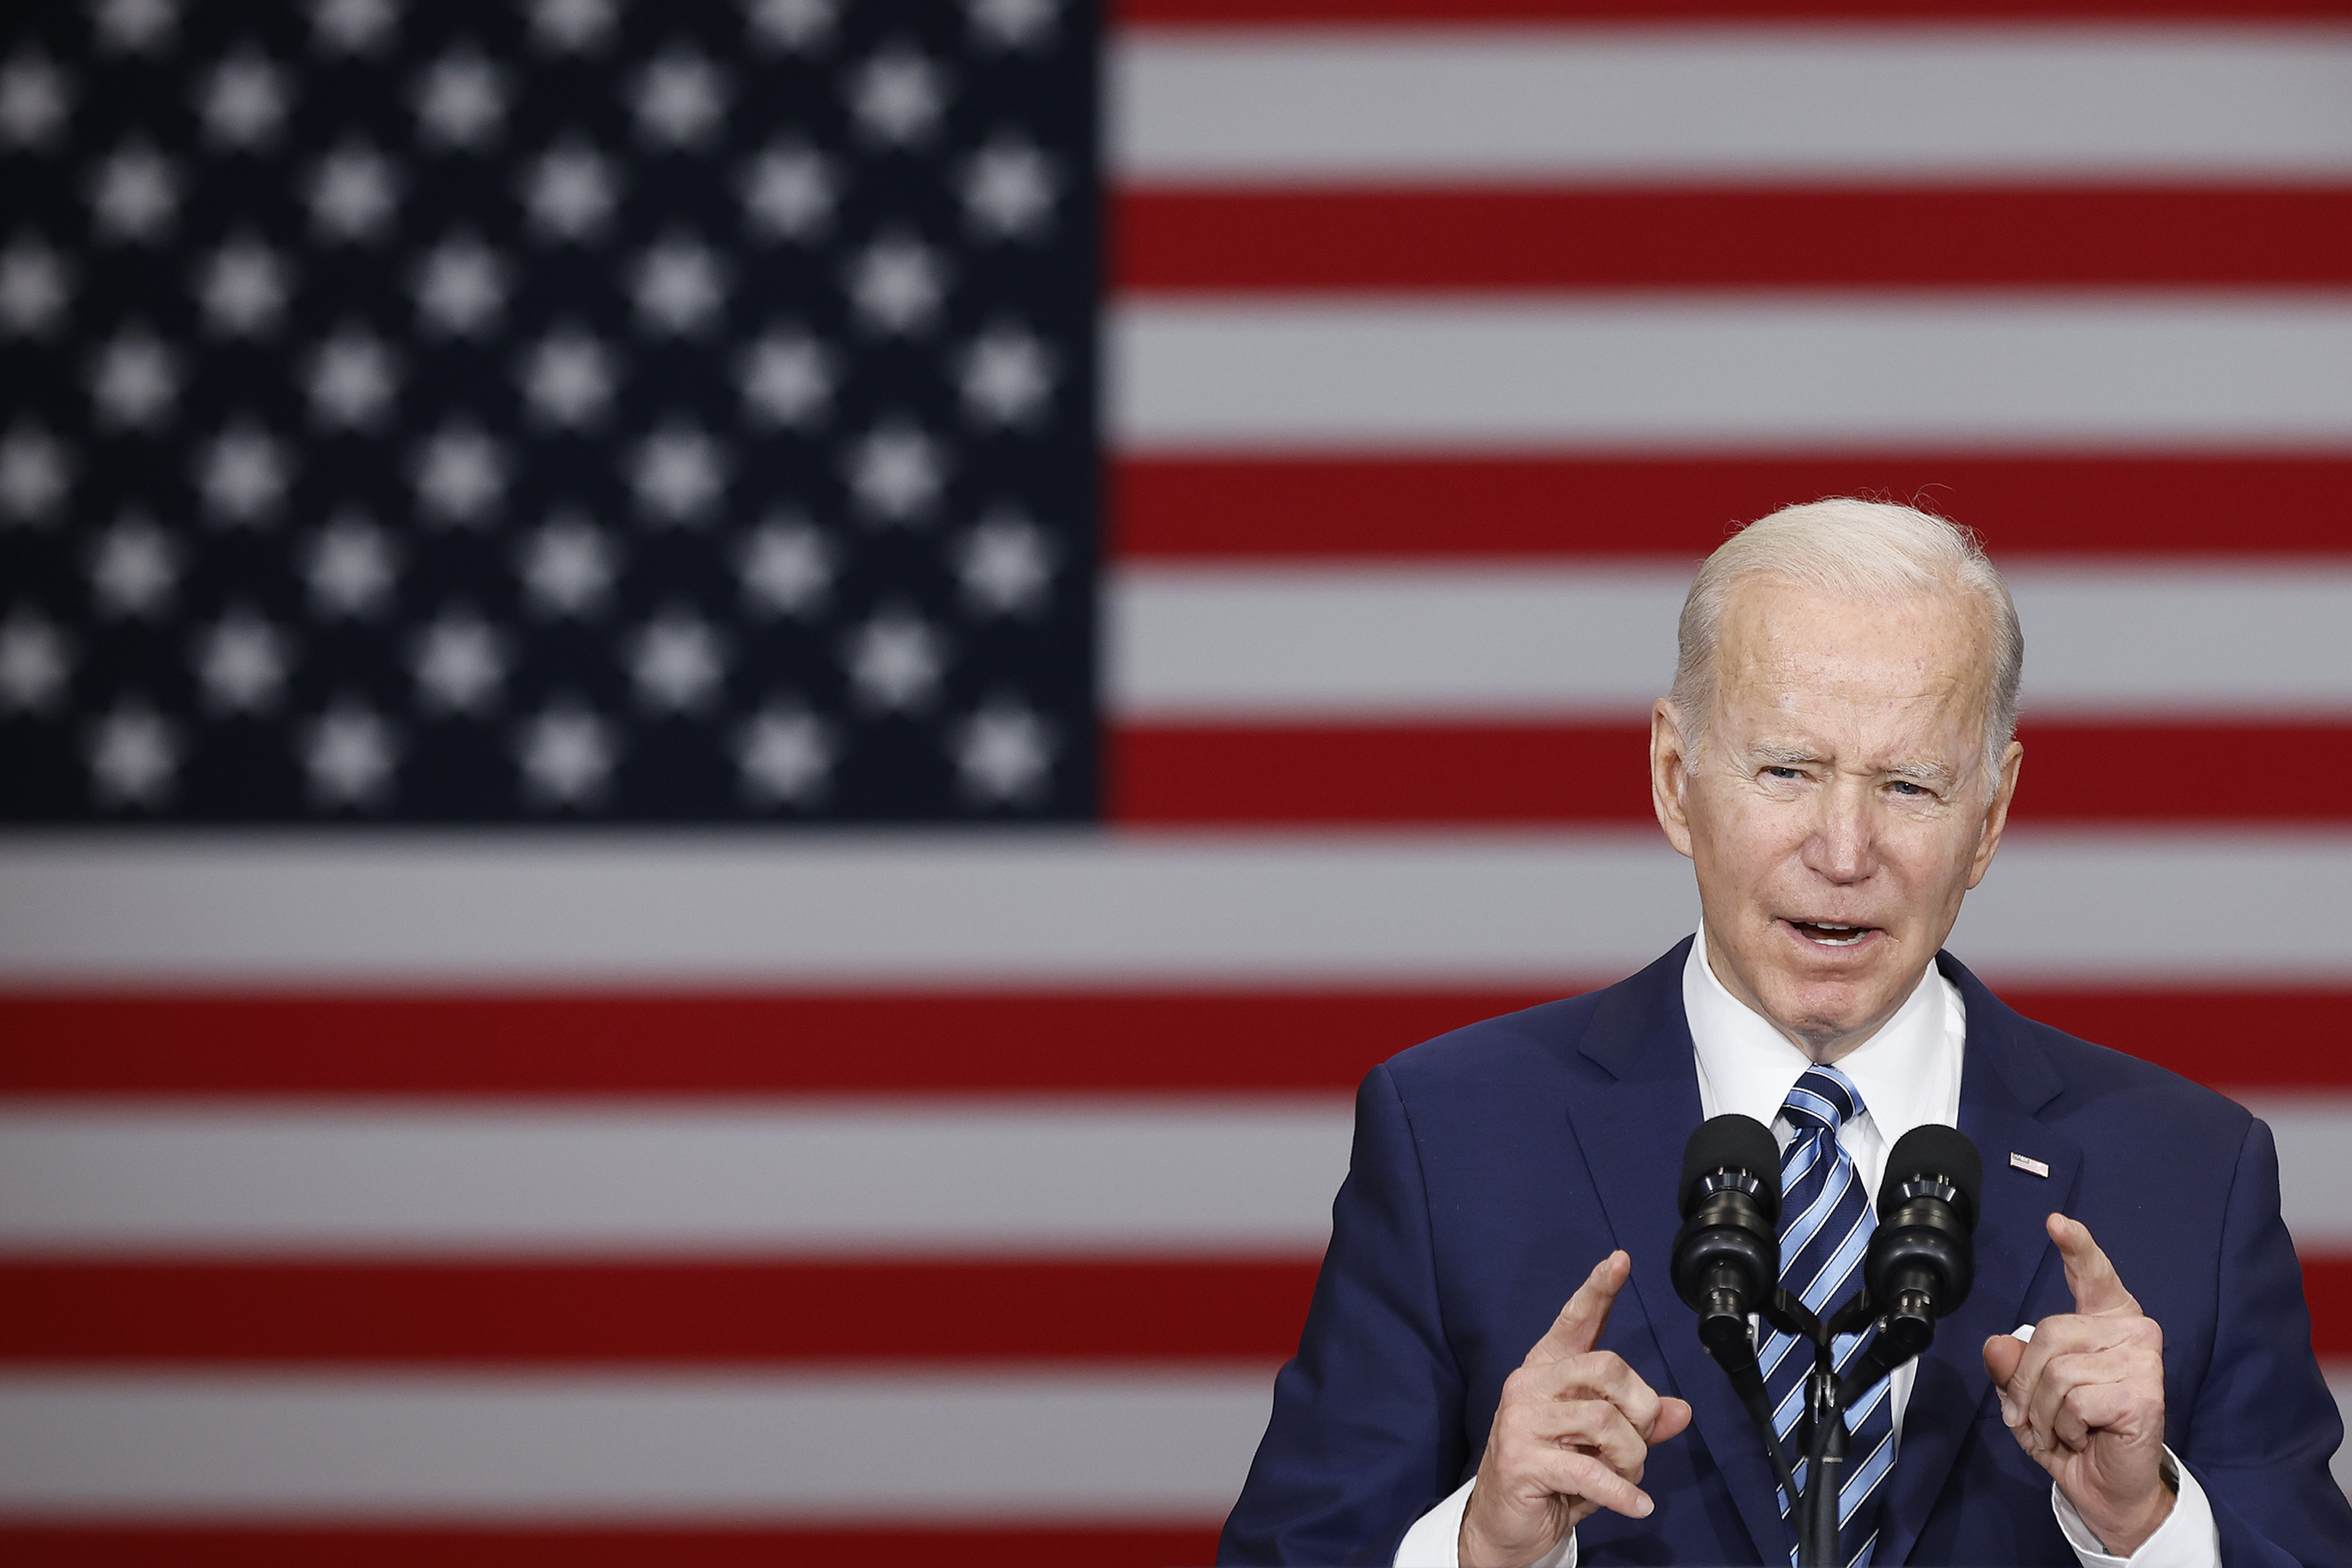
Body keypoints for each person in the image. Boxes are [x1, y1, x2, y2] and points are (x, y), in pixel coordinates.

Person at [1218, 501, 2352, 1567]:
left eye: (1908, 785)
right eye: (1788, 771)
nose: (1845, 850)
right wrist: (1485, 1545)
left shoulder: (2192, 1172)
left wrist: (2148, 1527)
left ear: (1991, 818)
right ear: (1676, 779)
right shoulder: (1453, 1136)